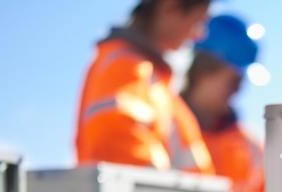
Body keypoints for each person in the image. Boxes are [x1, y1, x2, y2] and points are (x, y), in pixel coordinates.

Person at [75, 0, 214, 173]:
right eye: (198, 21)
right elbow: (119, 149)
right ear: (170, 7)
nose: (199, 35)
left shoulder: (155, 80)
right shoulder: (125, 66)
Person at [181, 14, 265, 192]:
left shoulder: (252, 148)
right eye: (233, 81)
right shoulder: (162, 125)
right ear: (203, 70)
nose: (238, 90)